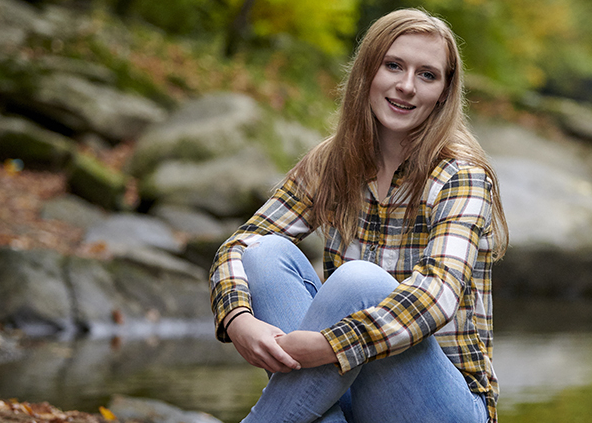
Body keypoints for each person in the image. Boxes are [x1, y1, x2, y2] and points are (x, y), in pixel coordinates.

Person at [208, 8, 508, 423]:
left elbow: (438, 296)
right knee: (262, 254)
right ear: (368, 71)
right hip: (349, 393)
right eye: (393, 66)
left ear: (443, 92)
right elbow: (238, 245)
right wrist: (238, 319)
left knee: (360, 281)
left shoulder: (461, 176)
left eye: (427, 75)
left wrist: (331, 346)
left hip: (443, 405)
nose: (406, 86)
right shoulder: (333, 162)